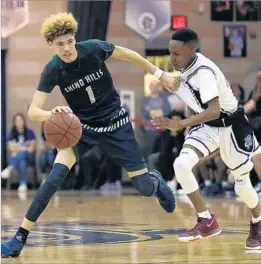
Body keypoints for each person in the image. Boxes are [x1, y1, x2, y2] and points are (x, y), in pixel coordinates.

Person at [1, 13, 177, 258]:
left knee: (144, 187)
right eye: (60, 44)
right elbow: (33, 111)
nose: (66, 48)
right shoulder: (53, 69)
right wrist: (51, 112)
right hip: (81, 128)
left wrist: (161, 75)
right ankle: (20, 237)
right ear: (51, 45)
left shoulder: (93, 49)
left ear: (75, 39)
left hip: (116, 123)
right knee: (52, 180)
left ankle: (156, 182)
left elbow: (131, 55)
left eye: (69, 41)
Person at [152, 28, 261, 249]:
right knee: (181, 165)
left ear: (191, 51)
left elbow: (214, 110)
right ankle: (206, 219)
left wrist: (181, 124)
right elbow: (196, 103)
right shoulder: (186, 69)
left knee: (243, 188)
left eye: (177, 54)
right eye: (170, 53)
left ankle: (258, 222)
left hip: (231, 127)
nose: (172, 58)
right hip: (208, 127)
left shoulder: (204, 71)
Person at [1, 113, 36, 192]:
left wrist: (18, 149)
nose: (19, 122)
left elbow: (31, 149)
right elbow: (11, 149)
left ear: (24, 121)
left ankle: (9, 168)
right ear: (14, 122)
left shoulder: (30, 132)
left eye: (20, 120)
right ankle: (23, 184)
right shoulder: (11, 133)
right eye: (17, 120)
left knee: (22, 154)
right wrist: (24, 148)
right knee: (22, 162)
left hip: (29, 157)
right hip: (19, 159)